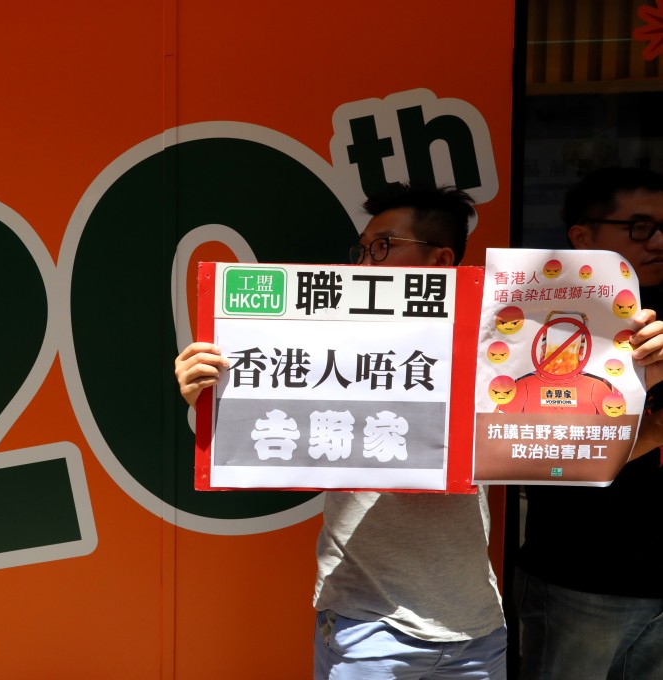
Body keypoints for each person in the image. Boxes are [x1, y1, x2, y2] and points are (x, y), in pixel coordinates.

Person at [177, 182, 508, 679]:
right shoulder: (327, 339)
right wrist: (206, 392)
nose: (363, 264)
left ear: (440, 263)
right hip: (367, 626)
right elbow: (261, 419)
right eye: (363, 248)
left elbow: (562, 446)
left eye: (382, 247)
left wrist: (637, 382)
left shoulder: (497, 352)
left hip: (477, 629)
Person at [515, 167, 663, 680]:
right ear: (583, 236)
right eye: (639, 227)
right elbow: (541, 448)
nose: (658, 241)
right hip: (584, 579)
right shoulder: (540, 318)